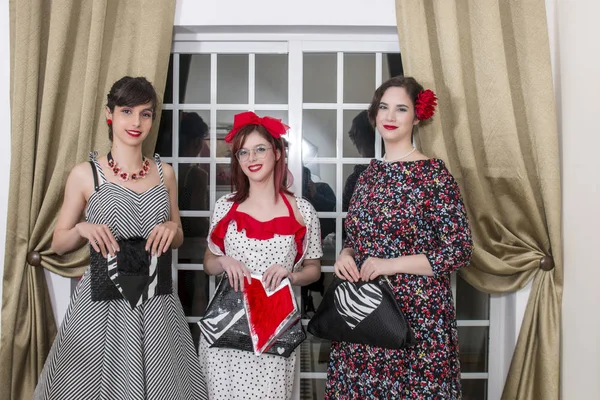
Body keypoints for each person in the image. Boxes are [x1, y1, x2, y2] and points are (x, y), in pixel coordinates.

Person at [34, 77, 207, 399]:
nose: (136, 122)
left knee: (163, 383)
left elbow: (179, 234)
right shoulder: (85, 174)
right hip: (103, 298)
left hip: (157, 298)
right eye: (127, 111)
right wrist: (82, 229)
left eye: (145, 113)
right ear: (109, 114)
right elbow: (58, 244)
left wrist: (172, 230)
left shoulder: (164, 172)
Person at [326, 76, 473, 399]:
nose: (390, 117)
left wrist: (389, 264)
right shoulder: (366, 176)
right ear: (374, 115)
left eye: (401, 109)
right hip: (365, 314)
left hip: (417, 316)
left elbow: (459, 250)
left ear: (417, 117)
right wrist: (345, 255)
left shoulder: (433, 174)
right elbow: (357, 237)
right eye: (384, 108)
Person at [199, 111, 323, 399]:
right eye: (243, 152)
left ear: (278, 153)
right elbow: (208, 263)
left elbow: (314, 268)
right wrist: (222, 261)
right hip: (226, 330)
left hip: (274, 326)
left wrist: (291, 275)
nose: (251, 158)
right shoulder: (225, 207)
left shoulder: (302, 211)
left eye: (260, 149)